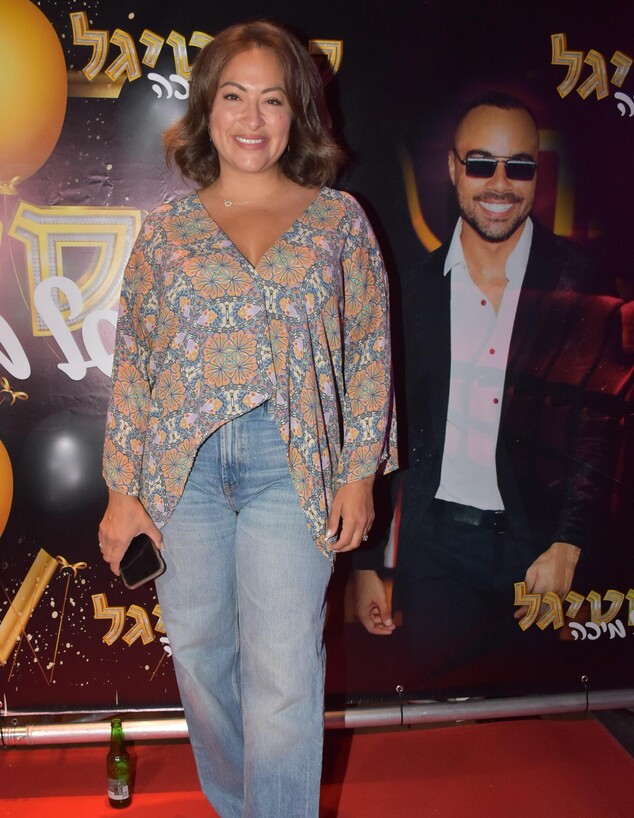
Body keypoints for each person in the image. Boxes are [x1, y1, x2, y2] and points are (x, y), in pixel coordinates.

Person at [98, 21, 397, 818]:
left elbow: (369, 352)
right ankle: (239, 807)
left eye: (273, 99)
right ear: (208, 109)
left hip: (291, 469)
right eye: (234, 96)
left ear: (298, 113)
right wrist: (122, 491)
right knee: (200, 660)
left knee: (285, 674)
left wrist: (359, 473)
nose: (253, 118)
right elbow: (136, 364)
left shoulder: (340, 222)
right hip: (182, 475)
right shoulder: (166, 232)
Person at [354, 92, 618, 689]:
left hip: (539, 550)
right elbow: (379, 423)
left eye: (518, 166)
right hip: (436, 550)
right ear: (454, 169)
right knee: (437, 723)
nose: (500, 183)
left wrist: (569, 541)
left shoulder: (580, 281)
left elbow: (597, 423)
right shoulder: (411, 289)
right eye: (481, 163)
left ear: (537, 174)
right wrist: (369, 563)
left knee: (534, 725)